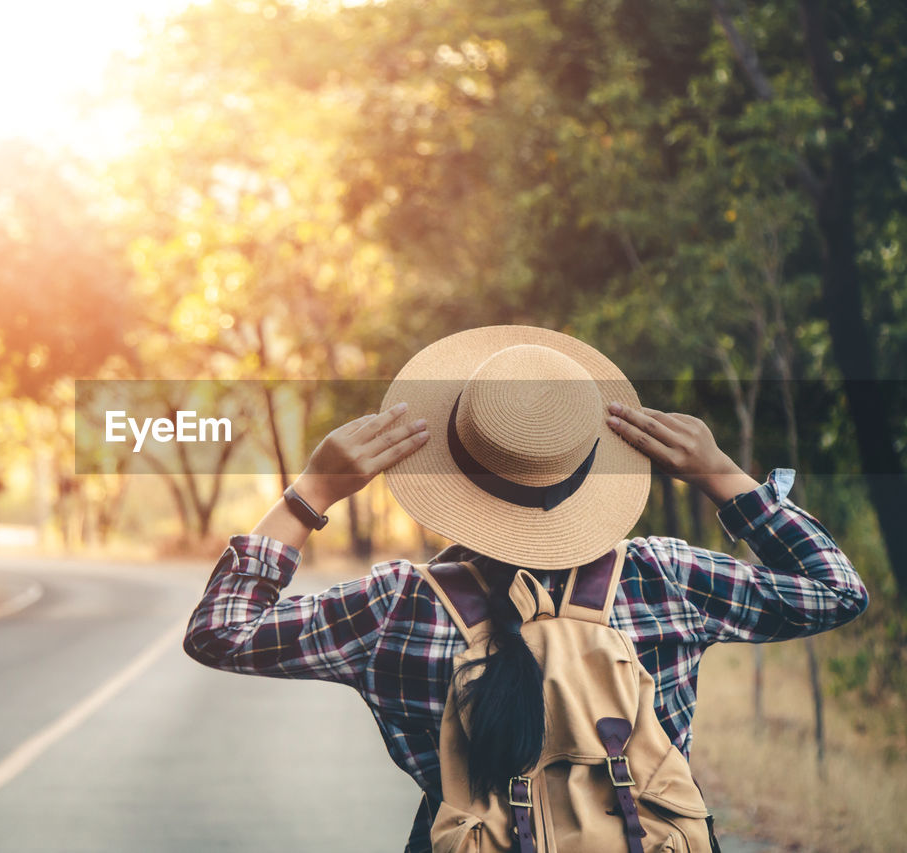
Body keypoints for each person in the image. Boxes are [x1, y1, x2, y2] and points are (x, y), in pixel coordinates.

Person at [183, 326, 869, 852]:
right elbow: (835, 589)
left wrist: (312, 493)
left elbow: (220, 630)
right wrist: (721, 473)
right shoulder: (664, 579)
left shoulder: (397, 607)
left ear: (450, 470)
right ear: (592, 464)